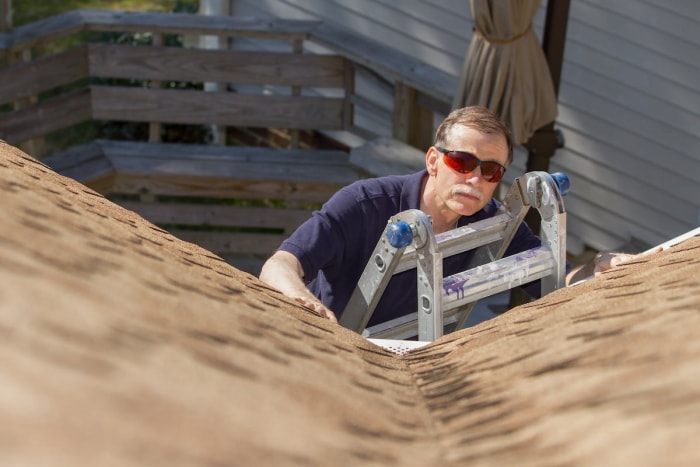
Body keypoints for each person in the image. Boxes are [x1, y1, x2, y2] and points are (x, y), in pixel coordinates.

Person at [259, 106, 649, 327]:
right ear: (433, 160)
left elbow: (555, 281)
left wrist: (597, 267)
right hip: (342, 351)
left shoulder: (497, 223)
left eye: (491, 170)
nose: (475, 178)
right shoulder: (364, 203)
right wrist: (301, 299)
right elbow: (281, 264)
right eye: (462, 161)